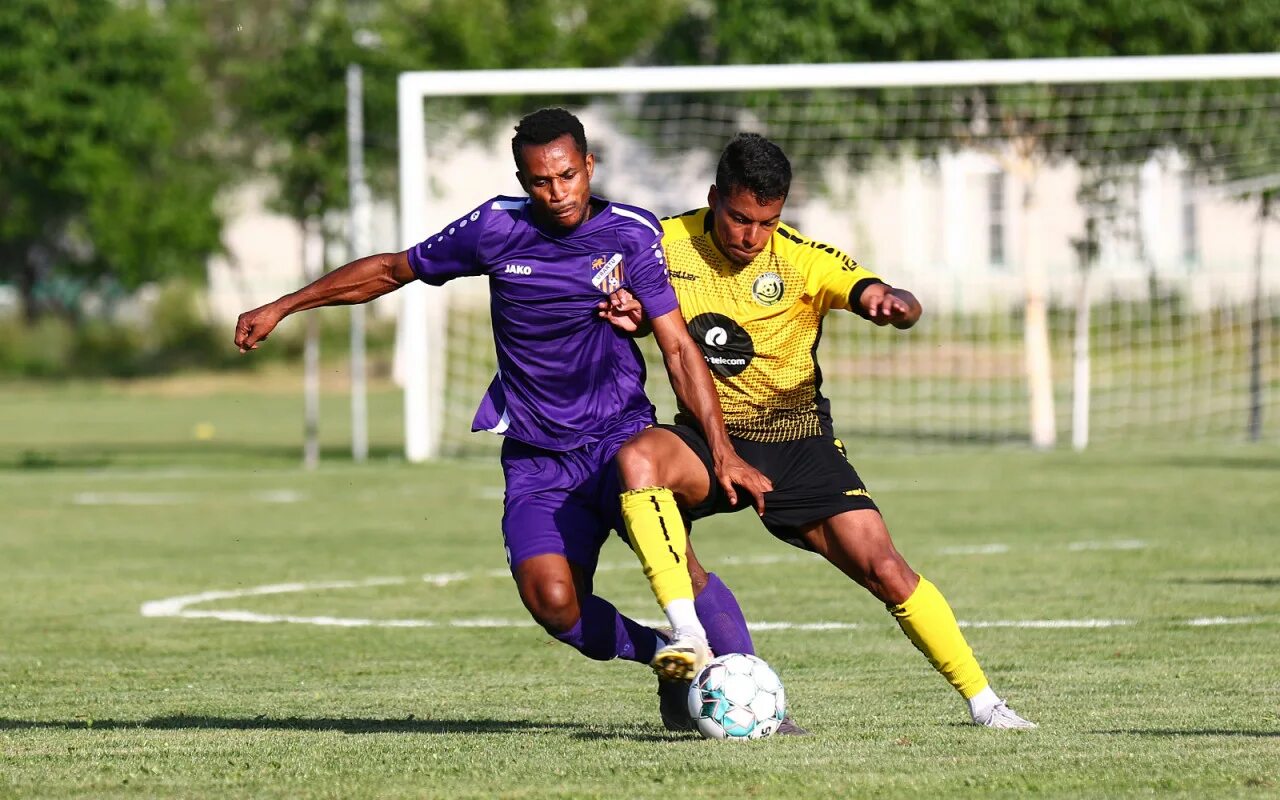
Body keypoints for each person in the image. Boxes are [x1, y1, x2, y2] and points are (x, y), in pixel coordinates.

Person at [233, 108, 771, 720]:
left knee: (684, 571)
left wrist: (720, 448)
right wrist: (283, 306)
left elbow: (677, 344)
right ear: (522, 179)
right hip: (539, 460)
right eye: (540, 181)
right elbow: (390, 270)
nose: (556, 192)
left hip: (620, 442)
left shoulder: (631, 232)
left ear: (589, 165)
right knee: (554, 604)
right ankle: (669, 657)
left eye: (567, 175)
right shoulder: (493, 228)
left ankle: (763, 704)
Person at [607, 133, 1037, 730]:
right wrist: (625, 312)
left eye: (767, 221)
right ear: (713, 199)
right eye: (738, 219)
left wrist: (897, 304)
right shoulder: (663, 243)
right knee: (636, 465)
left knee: (885, 569)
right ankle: (686, 637)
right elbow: (613, 294)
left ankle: (987, 704)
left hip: (799, 442)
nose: (751, 236)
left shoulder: (803, 259)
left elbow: (872, 291)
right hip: (710, 439)